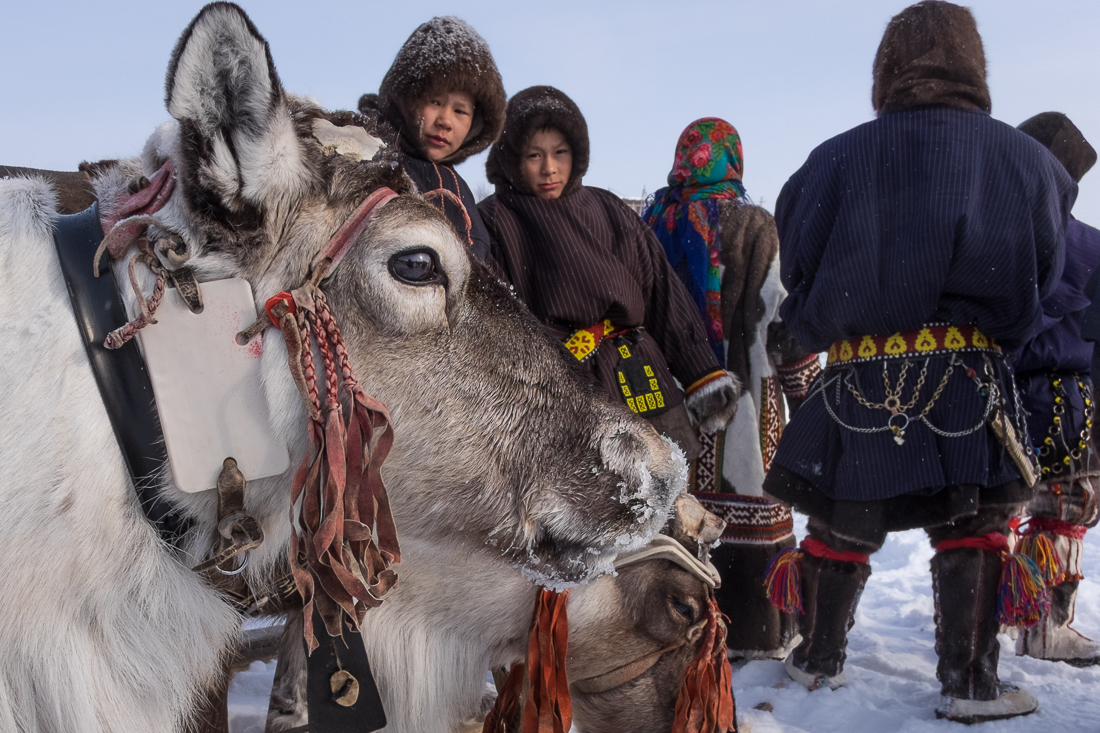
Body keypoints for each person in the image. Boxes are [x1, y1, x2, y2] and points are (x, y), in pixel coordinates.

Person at [761, 1, 1076, 723]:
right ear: (975, 65)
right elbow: (1045, 275)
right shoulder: (1028, 162)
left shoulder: (830, 160)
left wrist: (827, 319)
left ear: (885, 71)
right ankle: (971, 684)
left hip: (862, 377)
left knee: (844, 520)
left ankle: (816, 659)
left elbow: (801, 265)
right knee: (974, 526)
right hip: (972, 377)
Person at [478, 86, 740, 464]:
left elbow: (661, 292)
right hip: (561, 388)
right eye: (534, 155)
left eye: (560, 153)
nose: (549, 168)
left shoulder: (608, 207)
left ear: (578, 154)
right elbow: (495, 321)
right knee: (588, 509)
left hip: (639, 370)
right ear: (511, 158)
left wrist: (701, 371)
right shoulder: (495, 220)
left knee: (665, 500)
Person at [643, 118, 820, 659]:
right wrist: (807, 391)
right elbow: (776, 319)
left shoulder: (652, 222)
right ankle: (752, 631)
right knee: (748, 501)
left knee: (676, 509)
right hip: (744, 398)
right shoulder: (753, 224)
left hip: (667, 399)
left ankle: (671, 621)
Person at [1012, 112, 1100, 666]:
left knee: (994, 512)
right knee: (1069, 504)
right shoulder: (1089, 248)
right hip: (1069, 404)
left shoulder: (986, 241)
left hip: (996, 396)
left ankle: (987, 618)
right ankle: (1047, 625)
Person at [358, 16, 504, 262]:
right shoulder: (367, 161)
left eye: (460, 111)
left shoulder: (460, 189)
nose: (445, 120)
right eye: (434, 102)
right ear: (405, 96)